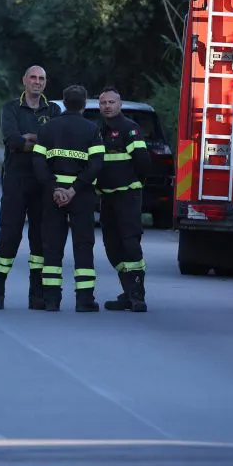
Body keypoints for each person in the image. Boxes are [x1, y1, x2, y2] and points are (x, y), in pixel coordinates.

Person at [0, 65, 61, 310]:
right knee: (8, 237)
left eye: (41, 78)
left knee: (40, 240)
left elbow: (56, 142)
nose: (37, 82)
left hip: (43, 182)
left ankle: (36, 295)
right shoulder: (11, 108)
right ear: (24, 81)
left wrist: (30, 138)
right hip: (16, 181)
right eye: (33, 77)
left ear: (45, 83)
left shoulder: (54, 110)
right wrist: (36, 140)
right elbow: (13, 140)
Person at [33, 84, 105, 312]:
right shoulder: (92, 129)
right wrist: (74, 189)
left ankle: (51, 300)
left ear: (64, 102)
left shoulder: (47, 128)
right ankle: (84, 300)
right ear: (84, 104)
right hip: (81, 196)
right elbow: (96, 165)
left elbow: (38, 162)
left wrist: (55, 188)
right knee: (83, 245)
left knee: (52, 245)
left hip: (52, 196)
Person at [95, 87, 150, 313]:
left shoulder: (129, 129)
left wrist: (134, 184)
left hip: (127, 196)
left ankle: (137, 294)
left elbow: (143, 163)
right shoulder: (99, 132)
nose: (107, 106)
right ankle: (127, 291)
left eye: (111, 102)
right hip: (107, 198)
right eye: (103, 103)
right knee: (112, 246)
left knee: (130, 244)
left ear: (120, 104)